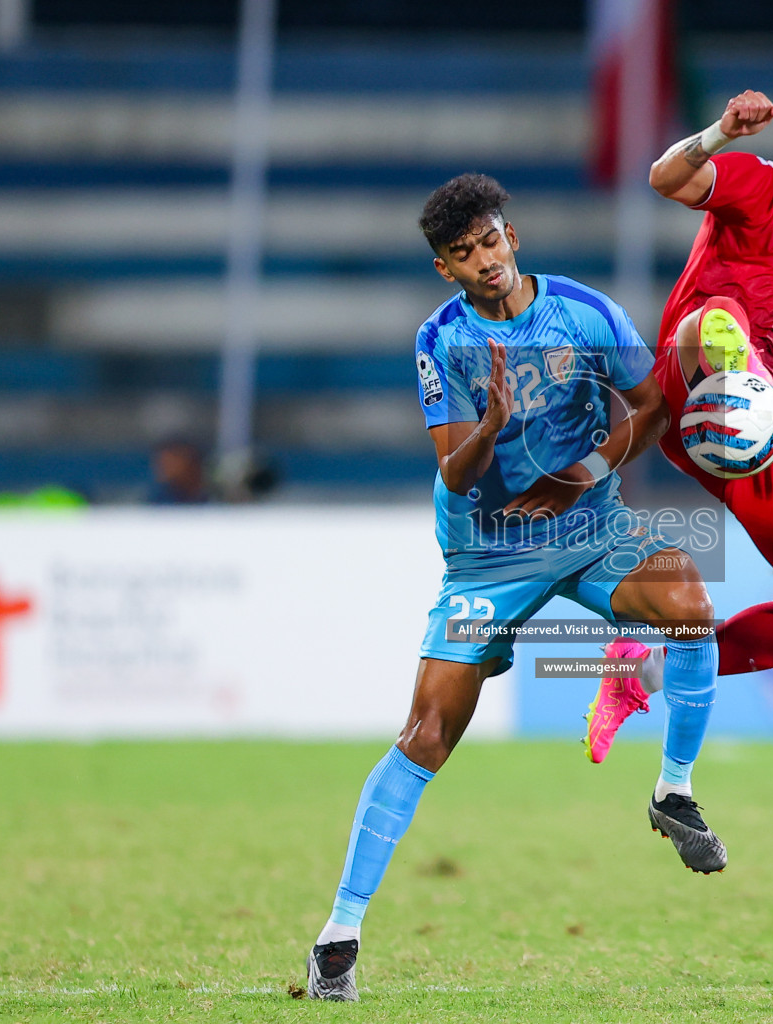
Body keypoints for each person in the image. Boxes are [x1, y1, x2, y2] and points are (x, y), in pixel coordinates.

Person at [304, 174, 725, 1002]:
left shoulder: (585, 313)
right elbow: (453, 469)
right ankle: (338, 936)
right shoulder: (441, 341)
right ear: (444, 269)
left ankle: (673, 792)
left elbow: (650, 407)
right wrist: (491, 427)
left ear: (513, 236)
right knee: (427, 734)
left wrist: (588, 471)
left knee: (691, 607)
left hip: (589, 521)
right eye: (463, 254)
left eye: (491, 241)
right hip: (487, 550)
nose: (484, 261)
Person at [584, 90, 773, 762]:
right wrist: (720, 132)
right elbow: (666, 178)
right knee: (717, 318)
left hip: (769, 428)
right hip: (692, 381)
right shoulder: (757, 184)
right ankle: (730, 360)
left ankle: (644, 670)